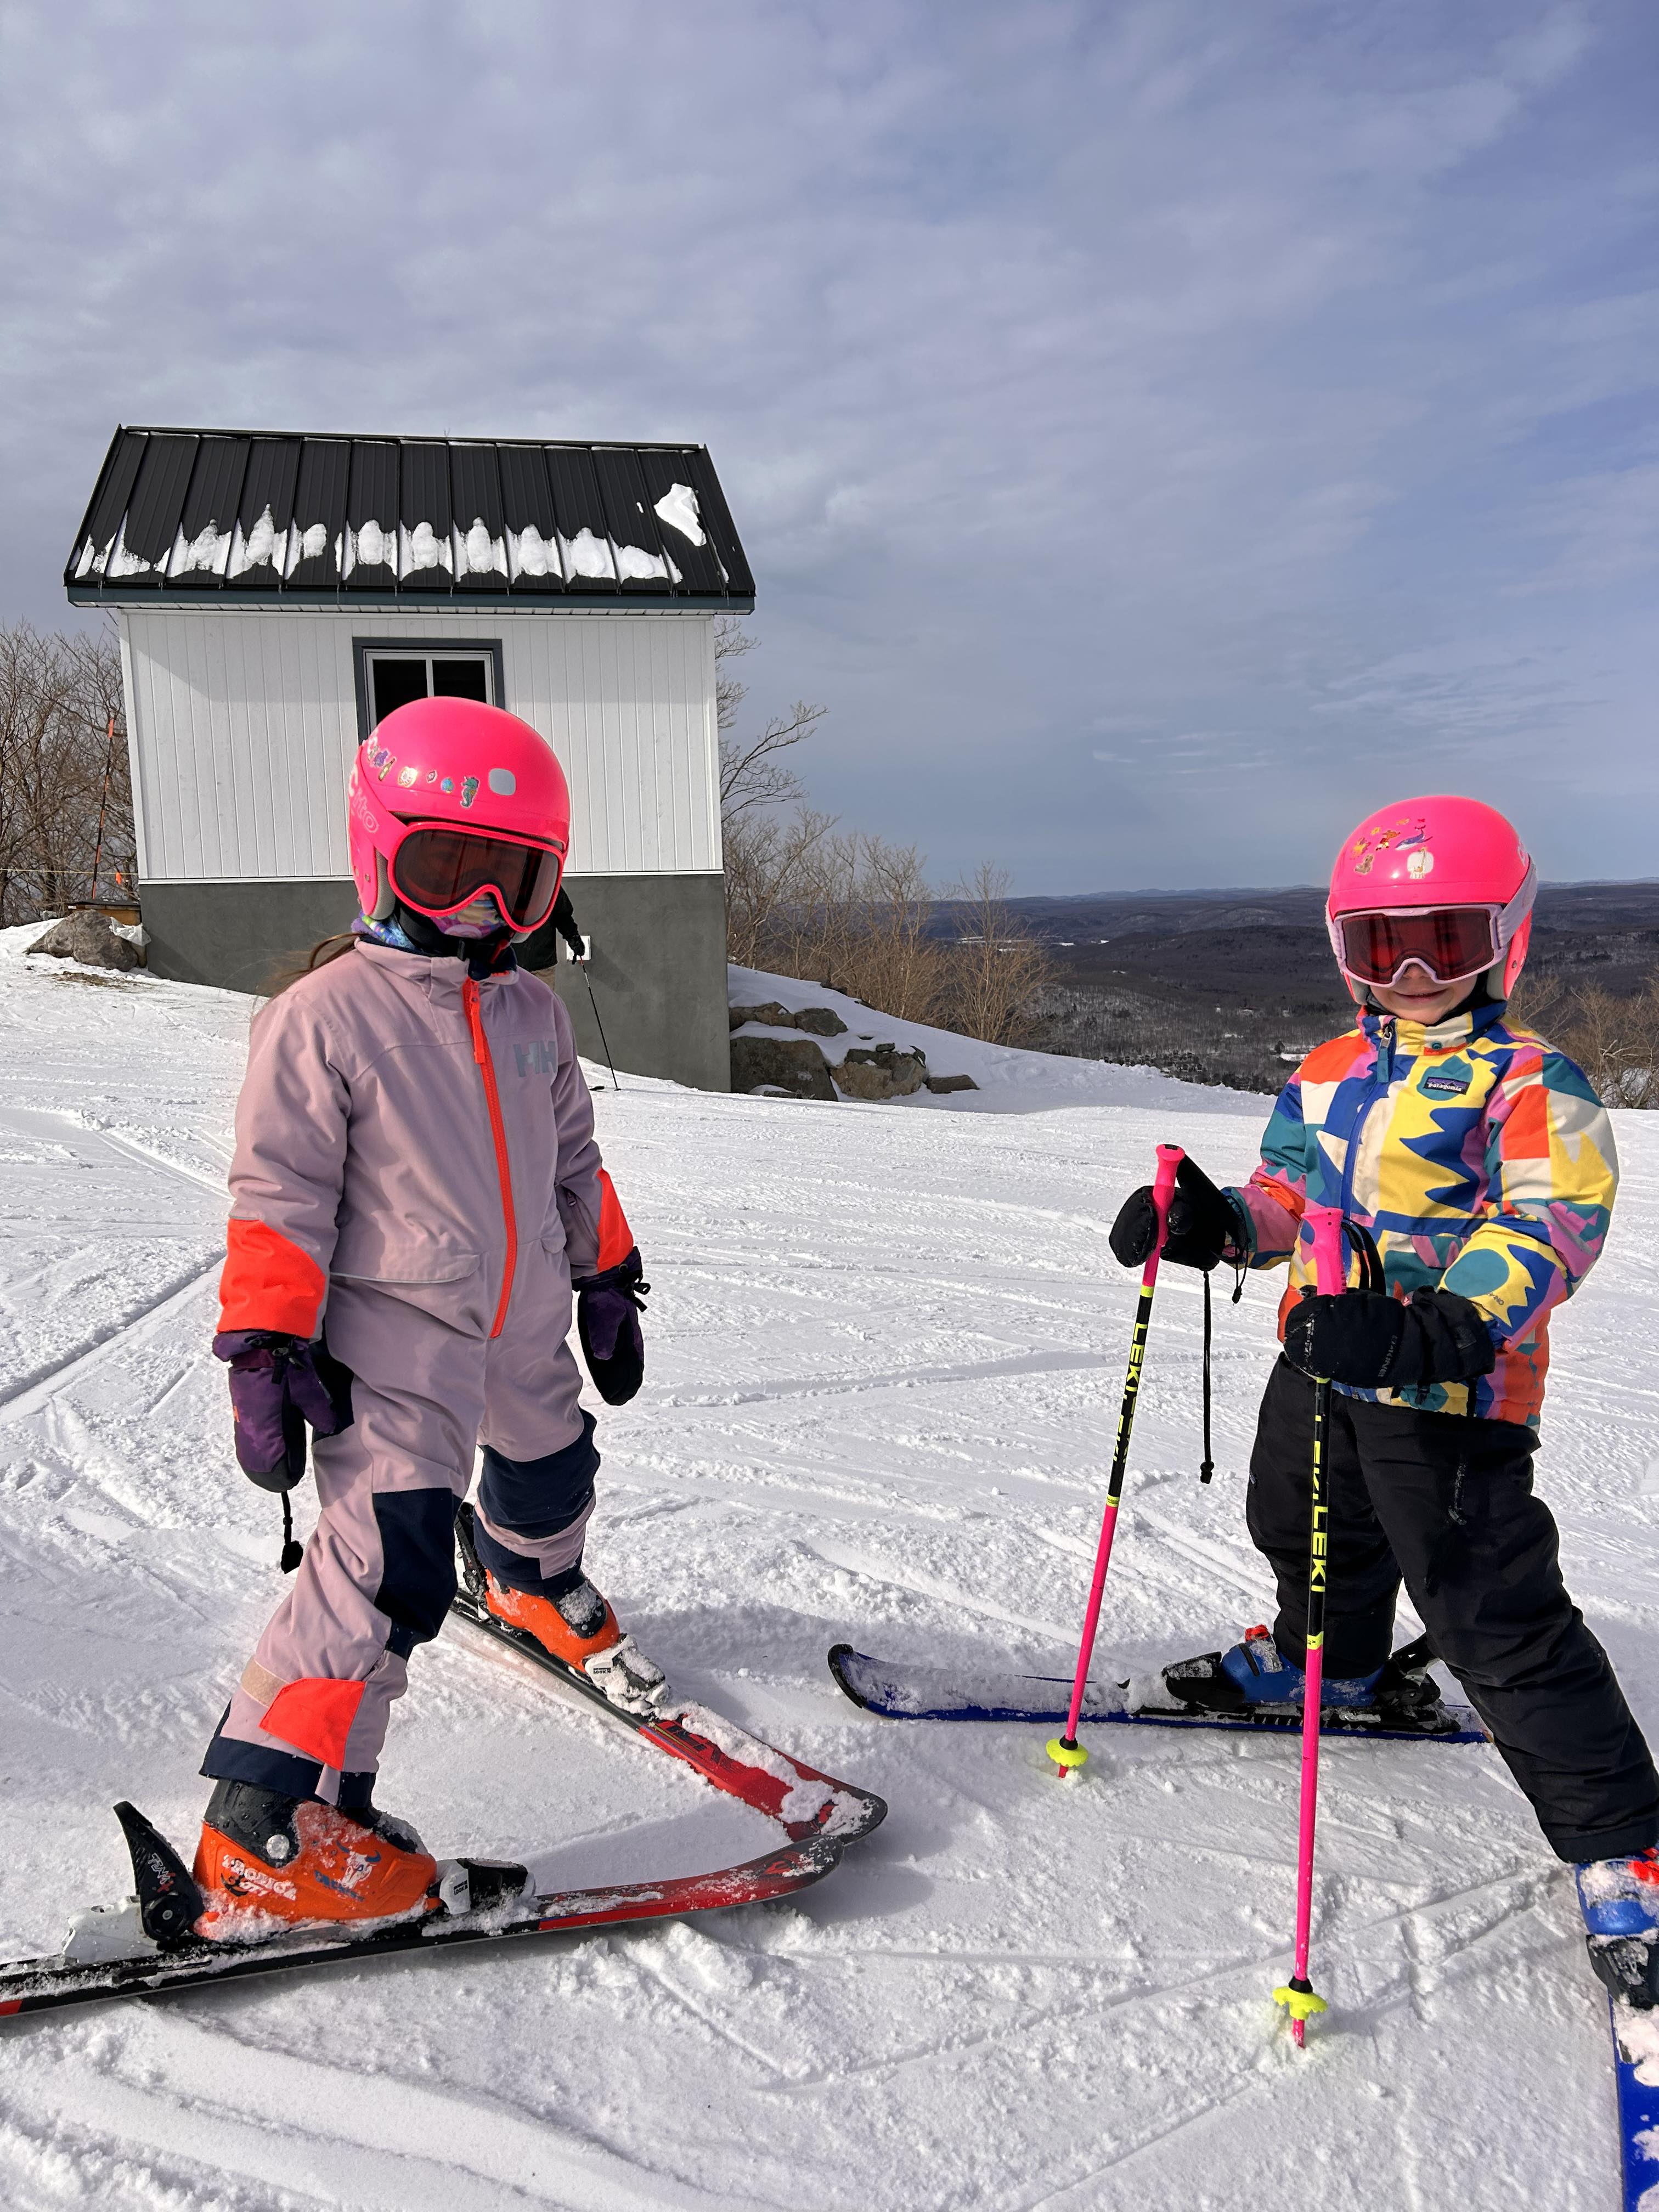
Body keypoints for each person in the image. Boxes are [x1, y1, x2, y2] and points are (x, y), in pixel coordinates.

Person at [1108, 794, 1659, 2002]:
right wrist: (1211, 1223)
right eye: (1380, 948)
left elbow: (1550, 1221)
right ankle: (1333, 1663)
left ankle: (1627, 1841)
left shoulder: (1531, 1082)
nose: (1412, 973)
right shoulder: (1328, 1070)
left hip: (1452, 1389)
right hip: (1321, 1358)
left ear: (1504, 940)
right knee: (1302, 1526)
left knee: (1487, 1610)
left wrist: (1441, 1323)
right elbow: (1286, 1199)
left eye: (1445, 943)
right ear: (1344, 953)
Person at [191, 696, 656, 1938]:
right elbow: (276, 1196)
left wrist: (605, 1273)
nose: (483, 912)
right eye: (447, 870)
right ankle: (268, 1823)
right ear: (379, 851)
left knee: (554, 1473)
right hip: (390, 1337)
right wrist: (270, 1341)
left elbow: (572, 1161)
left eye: (515, 881)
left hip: (519, 1318)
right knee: (380, 1563)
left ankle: (523, 1578)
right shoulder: (325, 1016)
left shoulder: (534, 1014)